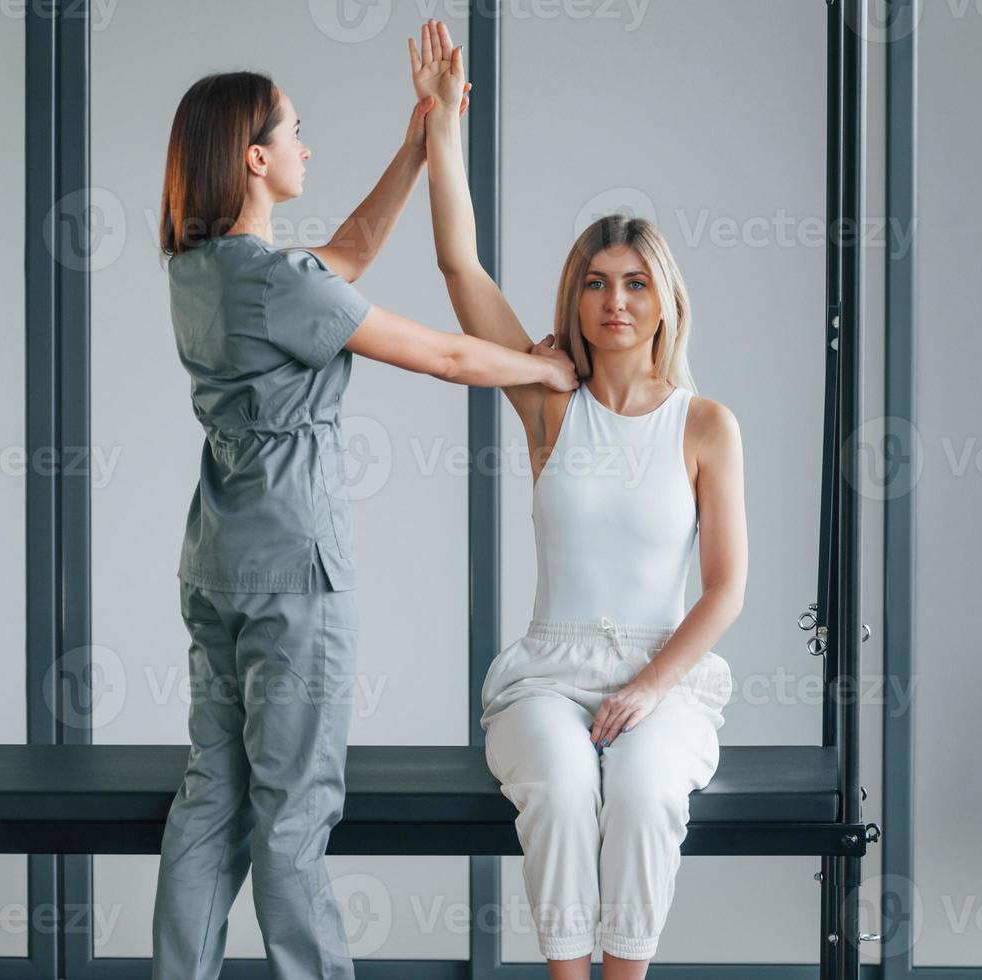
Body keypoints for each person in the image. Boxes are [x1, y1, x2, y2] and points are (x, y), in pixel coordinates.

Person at [150, 69, 577, 980]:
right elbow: (449, 358)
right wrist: (542, 371)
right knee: (294, 815)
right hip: (296, 575)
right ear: (256, 158)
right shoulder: (280, 284)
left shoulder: (201, 270)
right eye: (295, 133)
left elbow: (345, 250)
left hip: (217, 562)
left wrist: (420, 143)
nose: (309, 146)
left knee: (210, 801)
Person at [411, 21, 749, 978]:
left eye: (636, 283)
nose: (616, 302)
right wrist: (441, 127)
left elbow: (724, 588)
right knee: (561, 787)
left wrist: (649, 688)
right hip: (548, 674)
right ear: (576, 300)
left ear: (664, 300)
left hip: (663, 670)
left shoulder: (706, 424)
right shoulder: (547, 400)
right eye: (597, 285)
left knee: (642, 793)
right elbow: (459, 269)